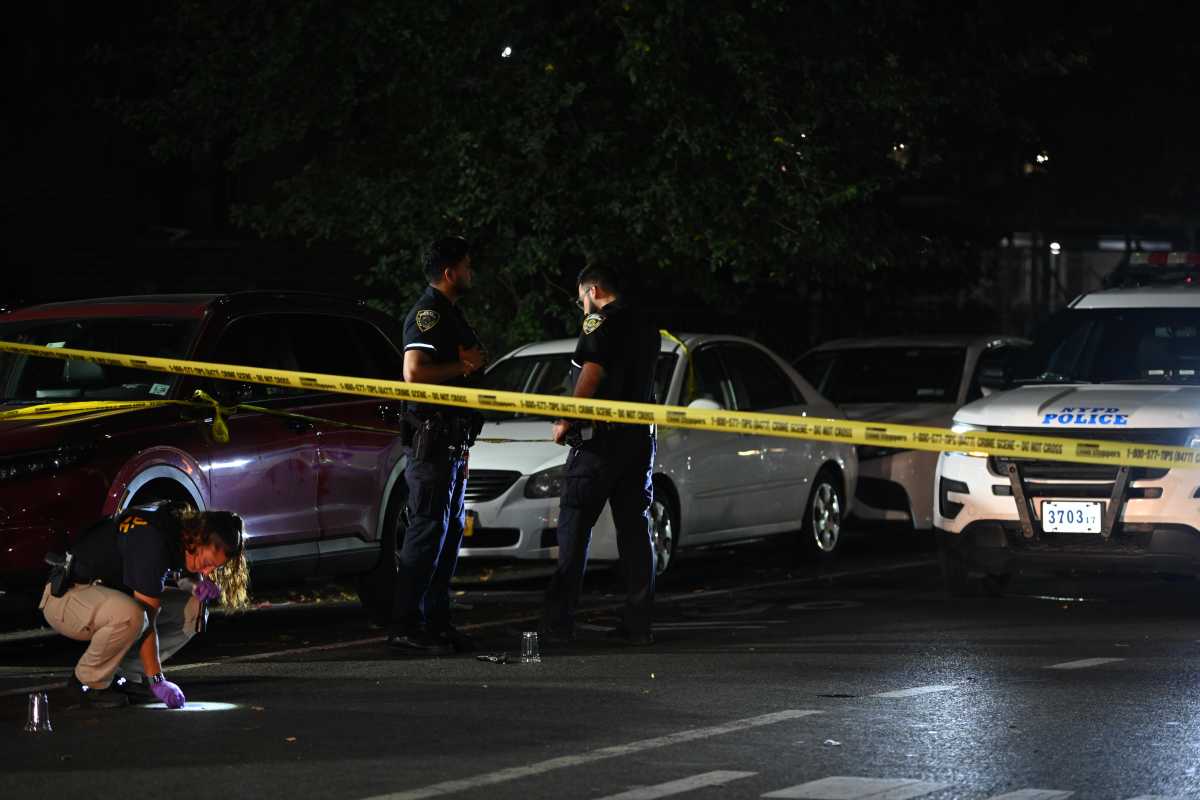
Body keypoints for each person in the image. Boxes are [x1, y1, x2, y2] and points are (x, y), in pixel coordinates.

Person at [542, 265, 660, 645]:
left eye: (582, 301)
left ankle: (559, 624)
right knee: (634, 532)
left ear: (594, 290)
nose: (582, 309)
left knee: (574, 525)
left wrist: (565, 419)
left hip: (600, 442)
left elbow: (592, 370)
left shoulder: (599, 323)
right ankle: (638, 624)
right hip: (638, 439)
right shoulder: (646, 324)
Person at [39, 503, 248, 709]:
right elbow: (148, 621)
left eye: (214, 567)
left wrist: (195, 585)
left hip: (103, 595)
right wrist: (158, 680)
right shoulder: (151, 541)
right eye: (207, 562)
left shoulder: (177, 530)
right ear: (197, 536)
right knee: (134, 615)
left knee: (194, 609)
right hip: (67, 599)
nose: (209, 571)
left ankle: (126, 676)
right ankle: (88, 682)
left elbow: (179, 571)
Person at [388, 235, 487, 655]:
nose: (470, 271)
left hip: (453, 443)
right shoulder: (428, 313)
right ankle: (406, 624)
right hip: (431, 443)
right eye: (466, 265)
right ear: (449, 272)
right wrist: (462, 366)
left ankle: (437, 622)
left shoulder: (450, 312)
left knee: (446, 537)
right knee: (426, 531)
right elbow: (414, 373)